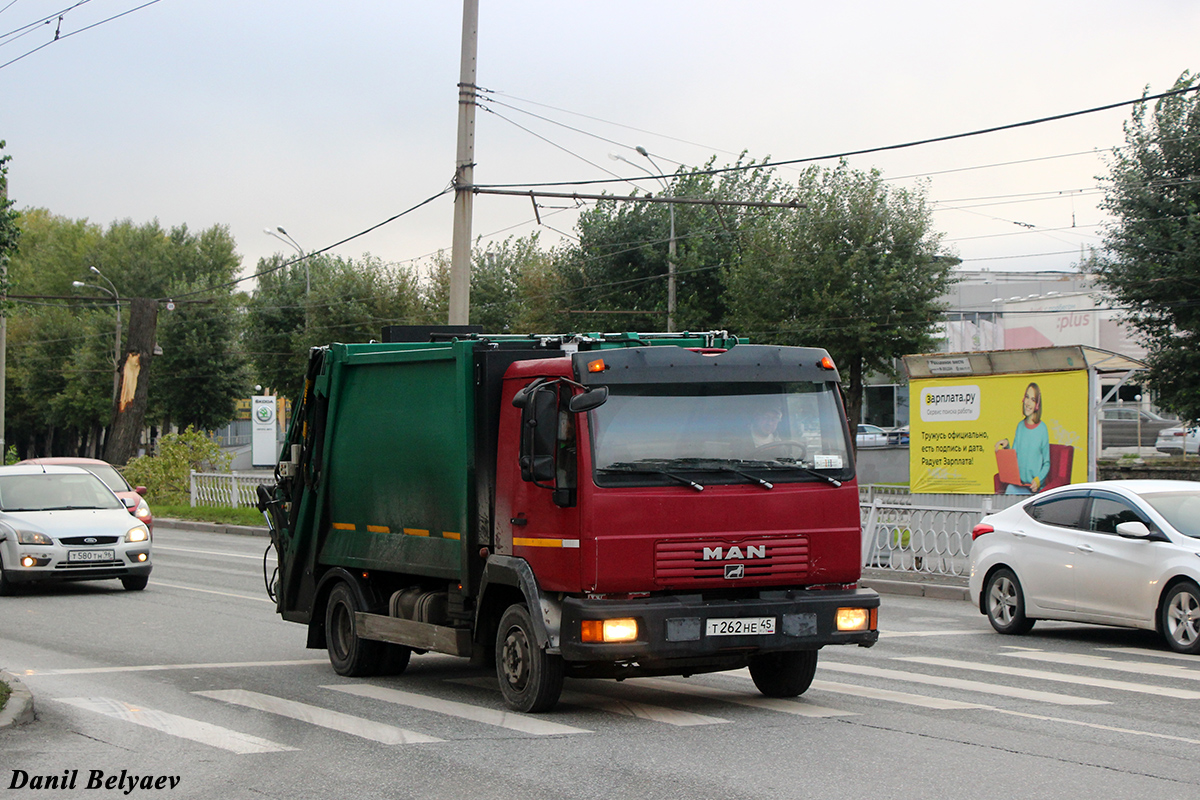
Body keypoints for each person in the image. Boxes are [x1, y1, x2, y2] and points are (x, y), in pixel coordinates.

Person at [995, 382, 1050, 494]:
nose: (1028, 403)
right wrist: (1006, 446)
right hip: (1018, 485)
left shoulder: (1042, 429)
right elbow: (1014, 456)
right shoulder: (1020, 426)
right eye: (1027, 397)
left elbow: (1047, 463)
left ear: (1037, 405)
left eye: (1033, 399)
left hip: (1034, 489)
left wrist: (1038, 480)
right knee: (1009, 492)